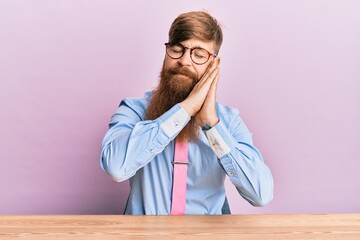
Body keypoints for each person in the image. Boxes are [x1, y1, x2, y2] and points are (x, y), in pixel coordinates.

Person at [100, 11, 274, 215]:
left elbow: (261, 194)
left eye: (198, 55)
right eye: (177, 49)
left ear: (214, 65)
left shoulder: (228, 120)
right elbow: (116, 168)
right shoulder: (133, 110)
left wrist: (211, 126)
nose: (184, 61)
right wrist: (186, 109)